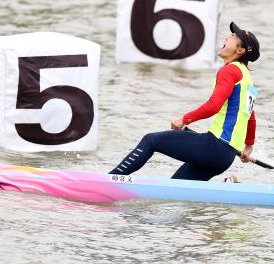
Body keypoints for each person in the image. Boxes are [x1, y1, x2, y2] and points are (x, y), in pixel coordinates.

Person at [109, 22, 260, 181]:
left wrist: (184, 119)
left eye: (233, 36)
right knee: (173, 189)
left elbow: (214, 106)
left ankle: (109, 180)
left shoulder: (229, 70)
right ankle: (229, 186)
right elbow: (249, 115)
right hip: (226, 156)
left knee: (150, 140)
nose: (227, 37)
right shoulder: (247, 78)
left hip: (215, 147)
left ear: (240, 50)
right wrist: (248, 145)